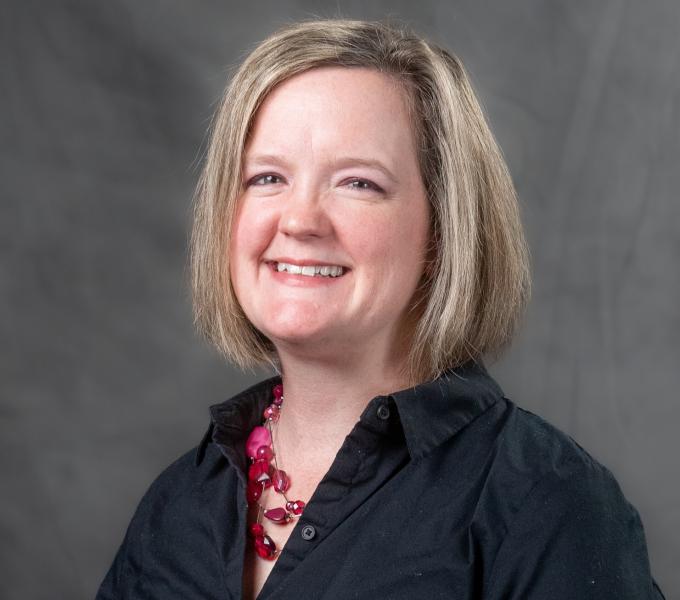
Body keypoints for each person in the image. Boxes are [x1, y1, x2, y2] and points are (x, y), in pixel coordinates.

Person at [96, 18, 665, 600]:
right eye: (267, 177)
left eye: (358, 184)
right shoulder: (178, 505)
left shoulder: (550, 505)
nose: (298, 220)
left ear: (443, 228)